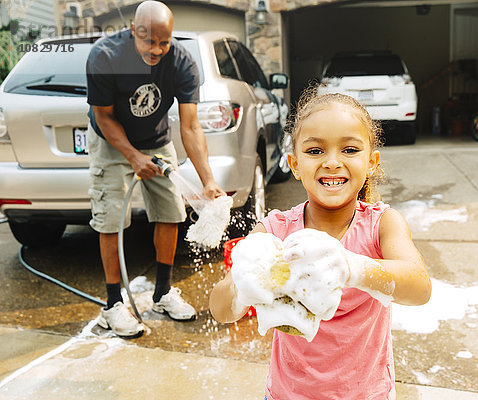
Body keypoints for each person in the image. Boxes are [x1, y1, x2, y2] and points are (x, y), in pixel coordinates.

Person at [209, 89, 432, 399]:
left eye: (349, 149)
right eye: (315, 151)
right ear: (294, 164)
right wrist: (243, 285)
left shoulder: (382, 225)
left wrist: (353, 268)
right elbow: (220, 309)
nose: (331, 163)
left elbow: (420, 287)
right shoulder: (275, 230)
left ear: (371, 161)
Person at [86, 0, 225, 338]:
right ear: (133, 30)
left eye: (165, 42)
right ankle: (113, 304)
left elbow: (190, 127)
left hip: (156, 138)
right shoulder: (105, 56)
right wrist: (133, 157)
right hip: (112, 138)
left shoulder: (181, 62)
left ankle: (163, 293)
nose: (158, 50)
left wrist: (207, 181)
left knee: (171, 211)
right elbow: (103, 116)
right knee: (111, 216)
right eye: (149, 41)